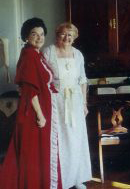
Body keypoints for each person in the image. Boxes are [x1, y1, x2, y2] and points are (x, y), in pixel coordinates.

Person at [0, 18, 61, 189]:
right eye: (34, 34)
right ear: (26, 36)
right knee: (34, 153)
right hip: (35, 112)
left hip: (42, 108)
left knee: (38, 153)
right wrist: (40, 116)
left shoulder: (35, 54)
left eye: (42, 34)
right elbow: (29, 90)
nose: (39, 38)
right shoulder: (29, 56)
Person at [43, 22, 92, 189]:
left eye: (70, 35)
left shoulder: (78, 55)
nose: (66, 37)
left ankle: (77, 178)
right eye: (63, 34)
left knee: (76, 139)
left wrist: (84, 103)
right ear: (58, 35)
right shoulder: (49, 51)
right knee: (60, 140)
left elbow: (83, 80)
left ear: (74, 37)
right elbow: (43, 78)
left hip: (76, 101)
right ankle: (60, 180)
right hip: (56, 101)